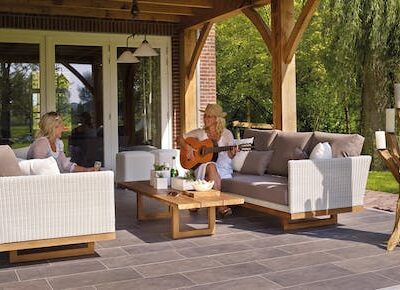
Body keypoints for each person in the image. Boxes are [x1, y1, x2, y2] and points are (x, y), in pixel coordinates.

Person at [179, 103, 237, 218]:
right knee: (210, 166)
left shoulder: (227, 134)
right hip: (203, 167)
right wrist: (188, 147)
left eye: (209, 116)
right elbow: (179, 138)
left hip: (223, 169)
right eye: (205, 116)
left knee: (210, 173)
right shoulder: (199, 133)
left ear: (217, 119)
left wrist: (233, 152)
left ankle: (196, 203)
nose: (205, 119)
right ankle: (221, 205)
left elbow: (231, 156)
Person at [27, 112, 98, 173]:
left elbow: (65, 165)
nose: (63, 128)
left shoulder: (57, 143)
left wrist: (87, 170)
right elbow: (37, 169)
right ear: (53, 127)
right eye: (61, 125)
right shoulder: (42, 143)